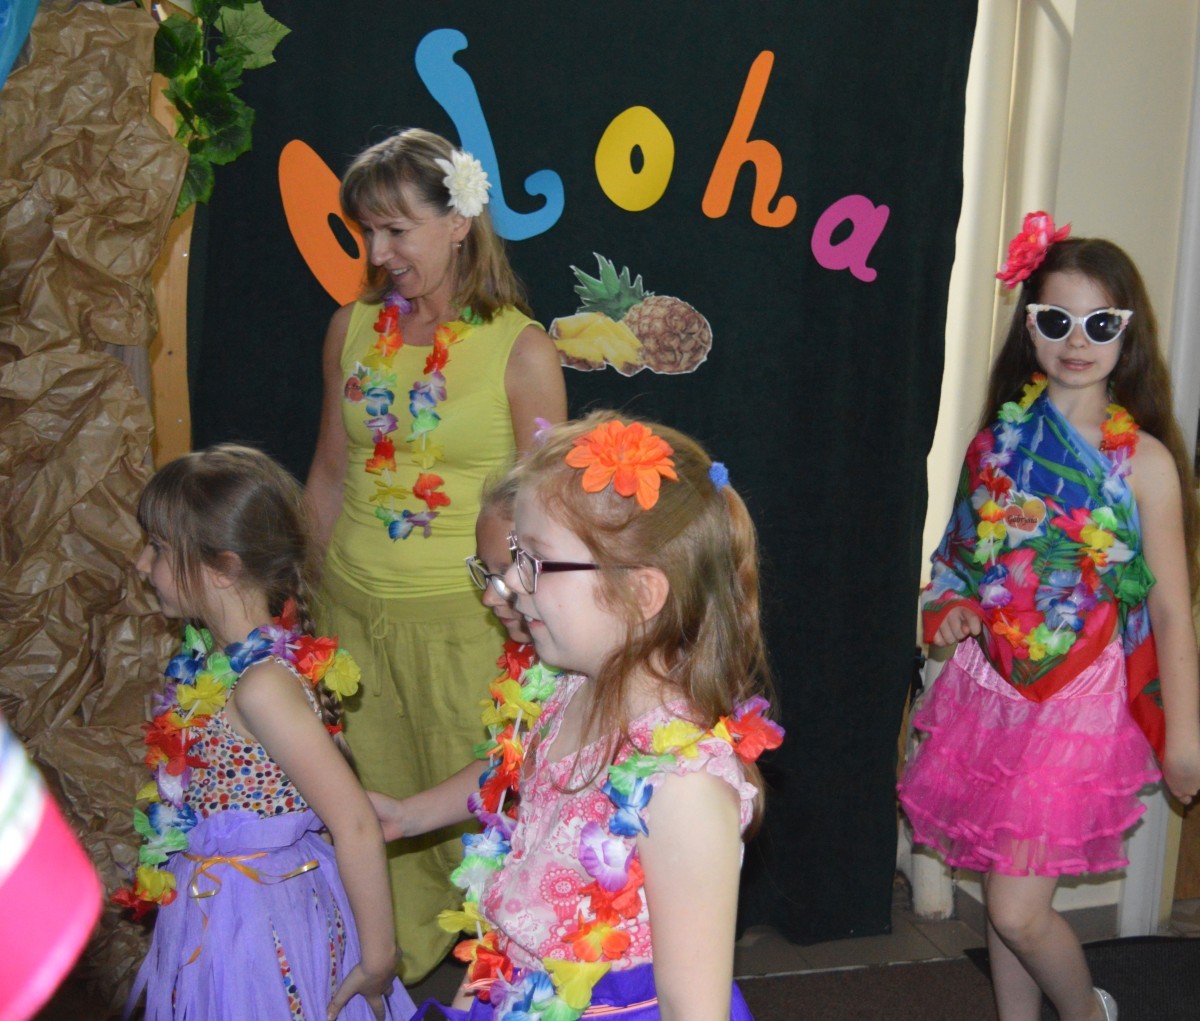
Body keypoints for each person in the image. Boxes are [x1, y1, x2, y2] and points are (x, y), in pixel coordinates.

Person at [375, 412, 784, 1021]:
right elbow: (517, 784)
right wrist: (409, 815)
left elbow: (693, 1008)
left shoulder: (685, 787)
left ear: (640, 594)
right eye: (516, 556)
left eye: (534, 562)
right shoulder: (566, 691)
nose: (511, 586)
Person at [898, 213, 1200, 1021]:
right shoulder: (995, 446)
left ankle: (1090, 1012)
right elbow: (957, 560)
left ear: (1128, 333)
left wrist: (1185, 734)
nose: (1076, 340)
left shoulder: (1145, 464)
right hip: (991, 693)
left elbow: (1172, 609)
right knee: (1005, 889)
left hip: (1082, 704)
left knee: (1016, 908)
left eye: (1099, 323)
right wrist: (951, 608)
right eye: (1056, 319)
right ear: (1030, 326)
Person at [304, 127, 568, 983]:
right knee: (370, 810)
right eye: (366, 232)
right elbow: (329, 474)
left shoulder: (521, 348)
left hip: (468, 631)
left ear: (458, 223)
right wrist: (299, 604)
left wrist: (542, 626)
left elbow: (549, 514)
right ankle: (384, 975)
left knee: (482, 817)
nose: (378, 253)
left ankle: (501, 982)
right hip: (352, 620)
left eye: (396, 229)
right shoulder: (350, 328)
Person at [119, 445, 415, 1021]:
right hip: (218, 907)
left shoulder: (261, 686)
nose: (140, 563)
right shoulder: (210, 664)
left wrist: (378, 958)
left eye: (157, 548)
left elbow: (354, 823)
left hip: (263, 920)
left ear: (224, 568)